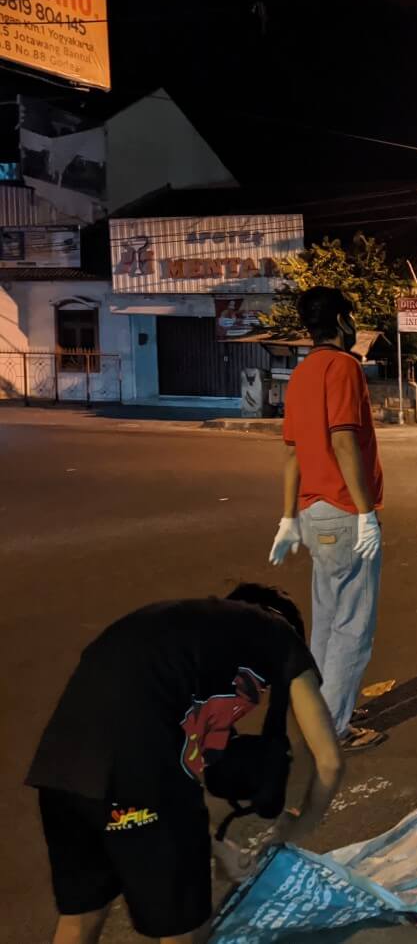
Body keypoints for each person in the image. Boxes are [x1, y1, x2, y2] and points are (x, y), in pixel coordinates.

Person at [27, 584, 344, 944]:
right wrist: (298, 825)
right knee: (186, 927)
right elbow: (329, 762)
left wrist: (217, 846)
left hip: (60, 769)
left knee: (81, 916)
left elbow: (166, 775)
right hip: (136, 776)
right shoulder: (277, 636)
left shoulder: (179, 632)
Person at [269, 286, 387, 752]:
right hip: (342, 511)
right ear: (340, 321)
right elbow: (343, 442)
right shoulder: (343, 367)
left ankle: (319, 708)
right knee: (354, 626)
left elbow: (293, 454)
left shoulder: (301, 374)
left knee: (325, 620)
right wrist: (365, 515)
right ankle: (334, 728)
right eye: (350, 317)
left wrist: (287, 518)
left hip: (313, 512)